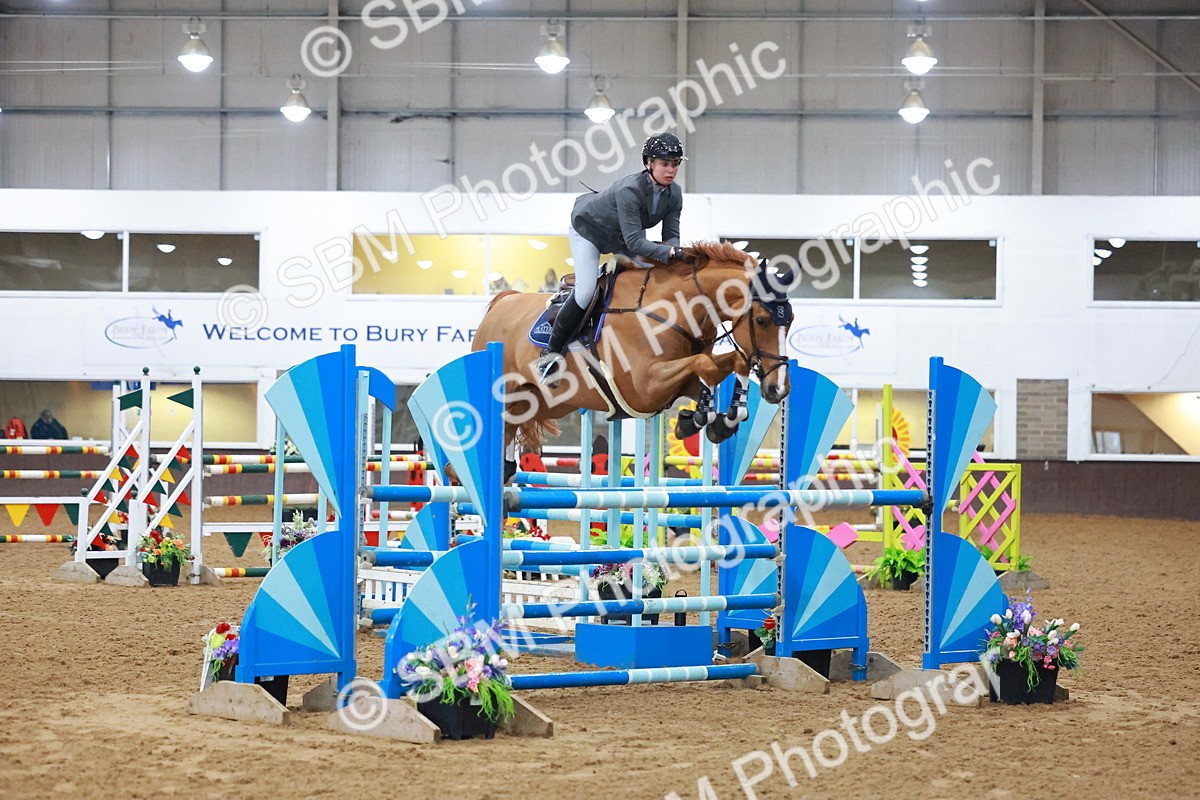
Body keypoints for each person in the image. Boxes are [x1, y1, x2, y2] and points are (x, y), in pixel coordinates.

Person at [536, 133, 687, 388]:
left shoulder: (674, 194)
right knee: (586, 290)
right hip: (589, 230)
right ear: (649, 163)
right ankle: (550, 355)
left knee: (652, 275)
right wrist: (670, 253)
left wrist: (675, 253)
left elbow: (671, 236)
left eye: (675, 164)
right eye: (665, 163)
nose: (671, 170)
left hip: (620, 238)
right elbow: (636, 244)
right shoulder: (630, 190)